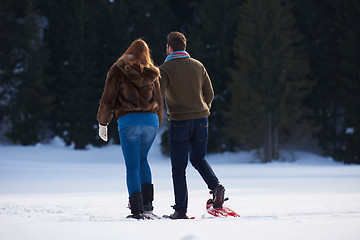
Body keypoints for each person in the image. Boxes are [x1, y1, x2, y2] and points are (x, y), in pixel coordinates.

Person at [159, 31, 225, 219]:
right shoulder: (198, 65)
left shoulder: (165, 68)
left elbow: (158, 95)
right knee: (198, 159)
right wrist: (203, 109)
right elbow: (210, 94)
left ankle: (180, 210)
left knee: (179, 167)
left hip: (179, 121)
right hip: (202, 120)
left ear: (170, 48)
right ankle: (216, 186)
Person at [97, 39, 163, 219]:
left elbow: (108, 100)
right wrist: (159, 122)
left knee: (132, 165)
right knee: (143, 160)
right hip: (151, 121)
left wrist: (103, 123)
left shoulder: (118, 69)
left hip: (129, 121)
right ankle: (147, 206)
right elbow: (160, 101)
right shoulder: (152, 72)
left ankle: (137, 210)